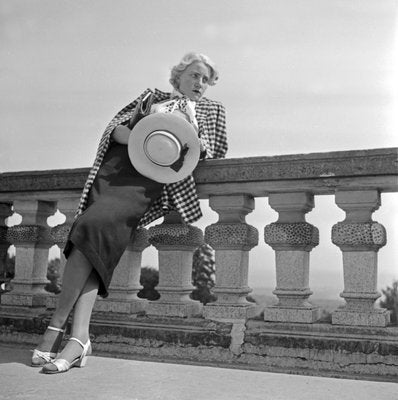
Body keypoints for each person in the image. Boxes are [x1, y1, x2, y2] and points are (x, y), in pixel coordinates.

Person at [32, 52, 228, 374]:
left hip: (151, 181)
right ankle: (78, 339)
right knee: (95, 244)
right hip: (117, 170)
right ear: (177, 76)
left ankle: (56, 328)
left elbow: (216, 151)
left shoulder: (213, 110)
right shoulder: (151, 97)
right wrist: (139, 133)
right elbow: (115, 129)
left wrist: (185, 139)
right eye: (194, 75)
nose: (200, 83)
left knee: (91, 228)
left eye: (206, 79)